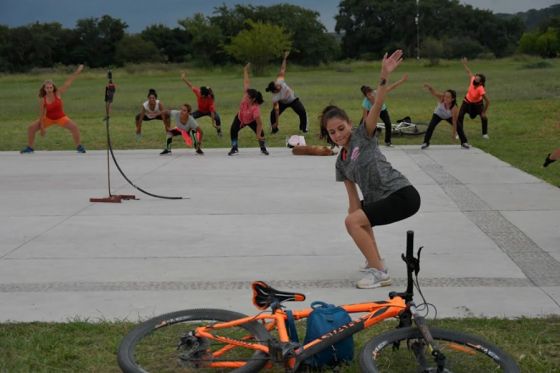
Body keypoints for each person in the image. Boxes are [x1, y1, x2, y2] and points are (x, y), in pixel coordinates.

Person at [319, 50, 421, 289]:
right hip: (382, 199)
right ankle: (375, 260)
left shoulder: (362, 135)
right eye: (332, 132)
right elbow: (354, 201)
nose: (338, 135)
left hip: (402, 194)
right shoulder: (341, 162)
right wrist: (356, 219)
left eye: (341, 128)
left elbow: (377, 104)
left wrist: (383, 76)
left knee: (354, 221)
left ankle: (380, 273)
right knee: (356, 217)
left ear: (350, 125)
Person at [20, 64, 86, 154]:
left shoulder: (58, 93)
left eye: (51, 87)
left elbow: (68, 82)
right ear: (45, 89)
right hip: (48, 119)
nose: (49, 89)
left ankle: (79, 146)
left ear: (53, 87)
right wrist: (42, 128)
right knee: (31, 128)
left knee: (74, 127)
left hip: (61, 118)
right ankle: (30, 148)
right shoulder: (43, 100)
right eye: (47, 88)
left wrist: (78, 71)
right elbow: (41, 115)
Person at [228, 63, 269, 156]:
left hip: (251, 120)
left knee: (261, 132)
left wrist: (258, 135)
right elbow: (246, 82)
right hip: (240, 118)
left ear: (253, 99)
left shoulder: (255, 109)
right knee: (233, 130)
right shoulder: (246, 94)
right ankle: (234, 148)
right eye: (246, 94)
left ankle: (263, 148)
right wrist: (245, 70)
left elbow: (259, 124)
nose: (245, 96)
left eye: (248, 96)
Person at [265, 51, 308, 134]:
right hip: (283, 103)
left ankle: (303, 128)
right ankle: (274, 129)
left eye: (277, 84)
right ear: (274, 91)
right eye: (277, 87)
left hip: (293, 100)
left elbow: (283, 68)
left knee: (302, 111)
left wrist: (285, 58)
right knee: (272, 114)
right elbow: (277, 111)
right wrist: (277, 123)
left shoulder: (279, 81)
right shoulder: (275, 98)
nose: (279, 86)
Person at [360, 74, 407, 146]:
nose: (371, 95)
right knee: (362, 125)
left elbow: (391, 87)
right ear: (366, 96)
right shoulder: (365, 103)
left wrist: (402, 80)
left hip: (382, 110)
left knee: (388, 123)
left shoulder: (378, 93)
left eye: (371, 93)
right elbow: (365, 117)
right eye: (369, 95)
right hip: (371, 111)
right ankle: (362, 140)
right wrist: (366, 125)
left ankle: (387, 141)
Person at [456, 57, 490, 147]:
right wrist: (464, 64)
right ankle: (459, 133)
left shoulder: (481, 89)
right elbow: (469, 72)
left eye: (478, 79)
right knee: (460, 116)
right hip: (466, 102)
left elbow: (488, 101)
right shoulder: (472, 80)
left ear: (481, 82)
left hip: (477, 105)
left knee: (484, 118)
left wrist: (483, 112)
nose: (475, 79)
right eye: (476, 77)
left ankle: (485, 134)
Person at [180, 72, 222, 137]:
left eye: (201, 95)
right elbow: (191, 86)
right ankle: (187, 133)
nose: (200, 95)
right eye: (200, 93)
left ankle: (219, 132)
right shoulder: (198, 92)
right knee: (189, 118)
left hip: (208, 111)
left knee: (218, 118)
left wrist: (213, 124)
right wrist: (184, 79)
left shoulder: (210, 99)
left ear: (205, 96)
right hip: (200, 111)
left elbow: (212, 112)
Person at [420, 84, 461, 149]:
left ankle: (464, 142)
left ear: (452, 99)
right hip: (438, 114)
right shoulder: (441, 98)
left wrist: (454, 135)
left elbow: (454, 122)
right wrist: (430, 88)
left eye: (448, 97)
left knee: (459, 126)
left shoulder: (454, 108)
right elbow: (434, 93)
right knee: (431, 126)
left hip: (448, 116)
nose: (445, 98)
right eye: (445, 96)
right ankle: (426, 142)